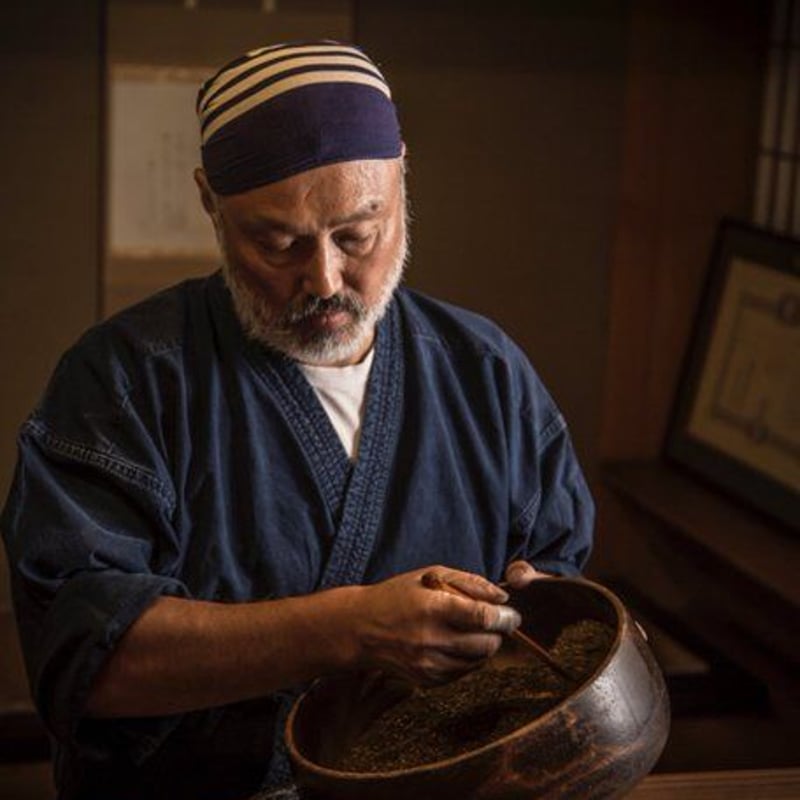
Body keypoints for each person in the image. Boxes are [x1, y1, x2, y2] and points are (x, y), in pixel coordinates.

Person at [1, 41, 593, 800]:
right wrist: (345, 628)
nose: (325, 279)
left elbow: (555, 590)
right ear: (210, 202)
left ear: (402, 180)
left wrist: (532, 609)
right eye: (276, 241)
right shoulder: (123, 380)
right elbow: (88, 662)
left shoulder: (487, 373)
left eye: (358, 234)